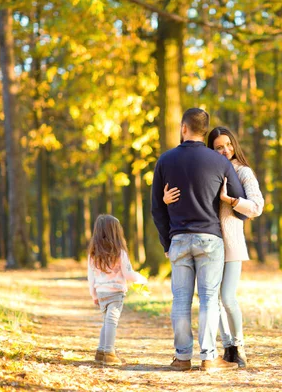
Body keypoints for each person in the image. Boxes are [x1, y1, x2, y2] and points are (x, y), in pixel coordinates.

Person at [151, 108, 247, 372]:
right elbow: (238, 202)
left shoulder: (165, 160)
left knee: (180, 300)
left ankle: (182, 358)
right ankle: (208, 357)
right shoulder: (219, 162)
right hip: (209, 238)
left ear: (184, 128)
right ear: (204, 132)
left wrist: (166, 243)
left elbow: (156, 208)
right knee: (207, 298)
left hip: (179, 239)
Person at [163, 126, 264, 368]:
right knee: (211, 299)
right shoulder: (208, 167)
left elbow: (257, 207)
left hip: (231, 244)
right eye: (218, 147)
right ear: (210, 149)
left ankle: (238, 346)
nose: (225, 150)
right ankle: (227, 346)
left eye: (228, 145)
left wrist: (231, 201)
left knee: (227, 297)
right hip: (209, 242)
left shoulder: (243, 172)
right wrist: (166, 201)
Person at [87, 214, 148, 366]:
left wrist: (93, 294)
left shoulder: (93, 254)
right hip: (115, 293)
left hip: (101, 293)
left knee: (106, 321)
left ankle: (100, 351)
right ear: (116, 232)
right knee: (111, 321)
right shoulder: (120, 252)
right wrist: (141, 279)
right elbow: (128, 274)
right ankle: (109, 352)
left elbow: (91, 276)